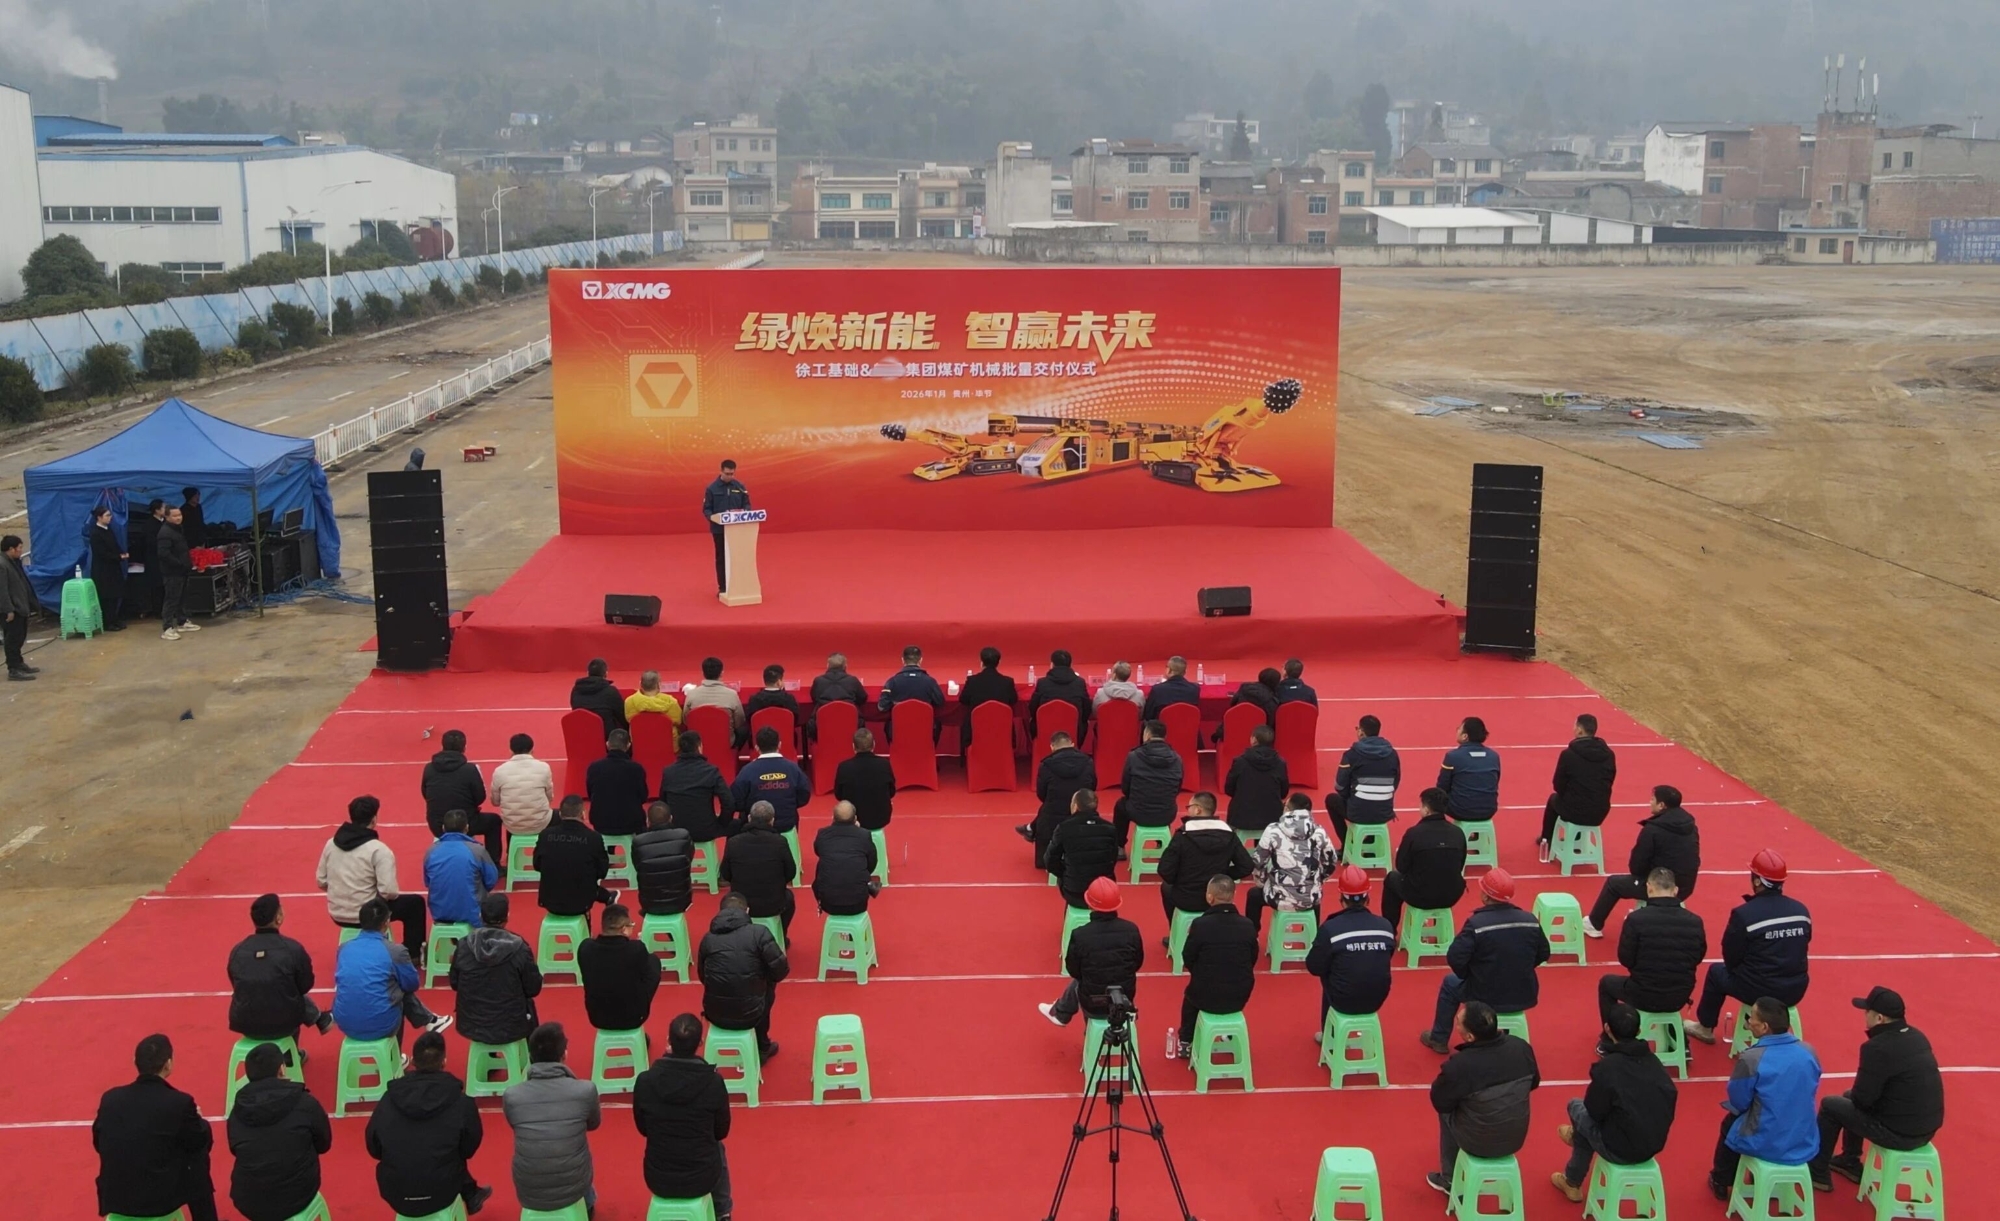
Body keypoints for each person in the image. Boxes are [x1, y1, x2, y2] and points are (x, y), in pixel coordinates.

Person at [1809, 987, 1944, 1191]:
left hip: (1900, 1133)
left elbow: (1862, 1100)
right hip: (1926, 1128)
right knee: (1847, 1098)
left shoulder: (1877, 1048)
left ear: (1879, 1018)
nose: (1865, 1016)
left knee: (1831, 1105)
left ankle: (1818, 1172)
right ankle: (1849, 1160)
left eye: (1867, 1011)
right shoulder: (1918, 1037)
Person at [1550, 1004, 1677, 1204]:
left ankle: (1572, 1179)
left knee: (1575, 1107)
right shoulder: (1655, 1063)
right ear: (1639, 1031)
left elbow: (1593, 1111)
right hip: (1653, 1144)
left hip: (1620, 1148)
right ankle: (1572, 1172)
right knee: (1598, 1118)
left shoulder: (1608, 1067)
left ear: (1607, 1028)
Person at [1687, 850, 1812, 1045]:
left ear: (1757, 881)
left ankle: (1705, 1027)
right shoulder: (1801, 911)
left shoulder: (1744, 914)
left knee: (1716, 973)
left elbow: (1731, 956)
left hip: (1758, 989)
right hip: (1796, 989)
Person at [364, 1030, 493, 1217]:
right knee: (449, 1154)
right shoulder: (462, 1102)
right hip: (443, 1190)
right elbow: (468, 1148)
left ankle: (471, 1193)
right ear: (444, 1062)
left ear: (413, 1062)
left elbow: (373, 1147)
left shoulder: (389, 1099)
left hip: (396, 1192)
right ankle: (470, 1193)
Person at [1422, 869, 1551, 1054]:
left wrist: (1469, 975)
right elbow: (1544, 953)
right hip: (1523, 993)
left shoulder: (1477, 924)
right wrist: (1519, 968)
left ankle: (1438, 1039)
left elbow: (1455, 957)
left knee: (1450, 983)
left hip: (1483, 993)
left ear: (1485, 895)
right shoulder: (1529, 920)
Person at [93, 1033, 218, 1221]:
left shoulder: (110, 1099)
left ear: (135, 1061)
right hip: (159, 1201)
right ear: (168, 1064)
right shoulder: (179, 1102)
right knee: (197, 1160)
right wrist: (199, 1120)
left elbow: (98, 1142)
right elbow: (200, 1141)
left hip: (116, 1197)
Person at [1709, 999, 1823, 1199]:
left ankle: (1721, 1179)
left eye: (1751, 1017)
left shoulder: (1751, 1058)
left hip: (1767, 1140)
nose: (1748, 1021)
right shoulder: (1809, 1052)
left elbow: (1739, 1101)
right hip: (1803, 1137)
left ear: (1764, 1027)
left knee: (1731, 1122)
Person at [1428, 1002, 1541, 1195]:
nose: (1456, 1024)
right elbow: (1534, 1082)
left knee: (1447, 1112)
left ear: (1469, 1037)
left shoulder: (1460, 1065)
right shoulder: (1521, 1047)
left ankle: (1449, 1179)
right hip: (1515, 1139)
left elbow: (1440, 1102)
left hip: (1477, 1142)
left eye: (1458, 1022)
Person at [634, 1013, 734, 1220]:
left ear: (668, 1041)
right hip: (703, 1176)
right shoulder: (714, 1082)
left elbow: (643, 1128)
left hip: (658, 1177)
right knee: (717, 1147)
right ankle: (722, 1211)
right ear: (700, 1043)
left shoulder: (645, 1081)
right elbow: (721, 1131)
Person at [502, 1022, 602, 1216]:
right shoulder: (585, 1090)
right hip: (574, 1185)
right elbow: (593, 1123)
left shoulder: (512, 1095)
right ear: (564, 1054)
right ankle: (587, 1206)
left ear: (531, 1057)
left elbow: (515, 1124)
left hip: (528, 1188)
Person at [227, 1041, 333, 1221]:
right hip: (296, 1196)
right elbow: (323, 1144)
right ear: (282, 1069)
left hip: (249, 1201)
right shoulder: (305, 1102)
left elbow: (235, 1149)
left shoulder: (237, 1111)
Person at [317, 795, 427, 961]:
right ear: (374, 819)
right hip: (369, 913)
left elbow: (321, 880)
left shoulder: (331, 844)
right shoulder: (378, 850)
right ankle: (412, 954)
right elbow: (389, 892)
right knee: (415, 904)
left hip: (337, 913)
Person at [1598, 867, 1708, 1029]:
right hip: (1680, 995)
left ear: (1649, 888)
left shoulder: (1635, 919)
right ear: (1675, 891)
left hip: (1644, 993)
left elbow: (1626, 959)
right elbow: (1698, 957)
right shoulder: (1695, 921)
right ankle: (1675, 1036)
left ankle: (1612, 1037)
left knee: (1606, 984)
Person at [1585, 786, 1701, 937]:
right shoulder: (1691, 826)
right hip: (1686, 886)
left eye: (1653, 799)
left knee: (1613, 884)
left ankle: (1593, 924)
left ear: (1661, 805)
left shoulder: (1653, 829)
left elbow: (1636, 866)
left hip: (1661, 886)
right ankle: (1645, 912)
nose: (1649, 802)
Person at [332, 899, 450, 1041]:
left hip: (345, 1023)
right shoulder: (395, 951)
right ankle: (400, 1049)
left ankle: (430, 1020)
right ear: (386, 922)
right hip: (382, 1024)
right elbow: (411, 985)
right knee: (398, 989)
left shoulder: (344, 948)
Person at [228, 893, 333, 1049]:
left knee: (273, 988)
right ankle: (291, 1055)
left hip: (244, 1022)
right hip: (284, 1022)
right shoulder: (292, 949)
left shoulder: (238, 950)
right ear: (278, 918)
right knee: (289, 991)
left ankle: (316, 1023)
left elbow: (235, 984)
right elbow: (305, 985)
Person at [1038, 877, 1145, 1027]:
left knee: (1083, 980)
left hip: (1093, 1003)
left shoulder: (1080, 935)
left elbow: (1074, 970)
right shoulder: (1132, 930)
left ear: (1089, 904)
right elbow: (1137, 962)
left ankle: (1062, 1013)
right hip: (1124, 998)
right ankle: (1061, 1012)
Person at [698, 891, 789, 1060]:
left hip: (714, 1013)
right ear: (747, 911)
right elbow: (781, 970)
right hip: (751, 1014)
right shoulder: (760, 933)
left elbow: (703, 977)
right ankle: (762, 1045)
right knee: (768, 985)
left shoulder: (707, 939)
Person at [1175, 876, 1258, 1058]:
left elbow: (1188, 957)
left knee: (1190, 998)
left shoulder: (1200, 925)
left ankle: (1186, 1041)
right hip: (1240, 994)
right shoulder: (1248, 925)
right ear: (1233, 895)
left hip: (1204, 993)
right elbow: (1252, 958)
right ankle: (1228, 1033)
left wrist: (1200, 972)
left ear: (1209, 897)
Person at [1306, 865, 1397, 1028]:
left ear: (1342, 898)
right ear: (1367, 898)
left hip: (1343, 1000)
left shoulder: (1330, 928)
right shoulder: (1386, 926)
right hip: (1377, 999)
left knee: (1329, 969)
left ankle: (1329, 1033)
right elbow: (1387, 955)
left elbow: (1314, 966)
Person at [450, 892, 542, 1048]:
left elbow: (455, 983)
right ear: (507, 916)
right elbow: (533, 988)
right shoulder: (520, 948)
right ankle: (534, 1054)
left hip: (472, 1023)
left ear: (481, 916)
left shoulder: (464, 945)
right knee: (527, 1003)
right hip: (511, 1024)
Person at [1157, 792, 1255, 922]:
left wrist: (1180, 879)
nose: (1188, 810)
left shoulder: (1183, 835)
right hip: (1219, 897)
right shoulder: (1229, 835)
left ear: (1197, 810)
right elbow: (1246, 866)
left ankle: (1174, 928)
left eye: (1189, 807)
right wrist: (1223, 875)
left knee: (1166, 887)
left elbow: (1165, 870)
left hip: (1187, 897)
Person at [1383, 788, 1468, 931]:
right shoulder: (1458, 833)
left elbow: (1401, 866)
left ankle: (1390, 929)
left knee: (1391, 879)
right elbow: (1460, 865)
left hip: (1420, 895)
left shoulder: (1414, 833)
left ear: (1427, 810)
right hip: (1452, 895)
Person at [1250, 792, 1337, 931]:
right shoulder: (1319, 831)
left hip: (1278, 897)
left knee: (1253, 895)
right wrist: (1320, 878)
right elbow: (1331, 860)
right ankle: (1313, 934)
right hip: (1310, 898)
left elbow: (1258, 860)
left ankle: (1253, 933)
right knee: (1314, 892)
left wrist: (1262, 879)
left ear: (1287, 809)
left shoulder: (1273, 830)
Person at [1538, 713, 1617, 863]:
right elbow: (1610, 780)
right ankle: (1576, 838)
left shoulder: (1568, 754)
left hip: (1575, 810)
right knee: (1579, 799)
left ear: (1580, 730)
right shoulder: (1609, 755)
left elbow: (1558, 785)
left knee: (1554, 800)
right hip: (1600, 810)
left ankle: (1546, 839)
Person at [1018, 730, 1097, 867]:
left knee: (1045, 809)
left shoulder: (1046, 765)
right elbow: (1092, 787)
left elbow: (1041, 794)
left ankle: (1034, 835)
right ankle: (1031, 828)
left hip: (1054, 814)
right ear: (1072, 744)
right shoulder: (1088, 762)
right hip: (1082, 808)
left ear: (1052, 747)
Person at [579, 903, 663, 1032]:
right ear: (624, 929)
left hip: (597, 1017)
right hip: (633, 1018)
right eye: (631, 925)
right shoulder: (636, 949)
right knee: (653, 961)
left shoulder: (585, 948)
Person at [421, 729, 503, 859]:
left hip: (437, 825)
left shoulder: (429, 768)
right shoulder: (470, 769)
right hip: (466, 822)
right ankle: (493, 863)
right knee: (494, 821)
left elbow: (425, 793)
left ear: (442, 745)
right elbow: (480, 797)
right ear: (464, 747)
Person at [719, 802, 797, 934]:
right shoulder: (779, 842)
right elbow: (791, 873)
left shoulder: (733, 842)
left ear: (749, 818)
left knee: (727, 901)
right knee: (789, 898)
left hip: (741, 901)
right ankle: (781, 935)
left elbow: (725, 874)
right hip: (773, 902)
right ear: (772, 821)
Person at [535, 794, 614, 918]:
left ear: (560, 814)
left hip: (549, 900)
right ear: (583, 814)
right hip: (582, 901)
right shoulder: (593, 838)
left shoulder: (545, 835)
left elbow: (537, 865)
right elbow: (602, 871)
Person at [1328, 714, 1400, 844]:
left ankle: (1347, 845)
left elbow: (1340, 786)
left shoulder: (1351, 754)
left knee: (1331, 800)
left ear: (1361, 732)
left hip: (1358, 812)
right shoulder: (1393, 754)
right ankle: (1370, 844)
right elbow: (1396, 782)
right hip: (1384, 812)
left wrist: (1351, 797)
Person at [424, 809, 500, 930]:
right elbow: (491, 880)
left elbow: (428, 882)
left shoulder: (431, 851)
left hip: (439, 912)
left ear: (443, 828)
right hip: (473, 913)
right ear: (467, 828)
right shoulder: (477, 850)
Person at [1114, 719, 1184, 847]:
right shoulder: (1177, 759)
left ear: (1146, 734)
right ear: (1165, 736)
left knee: (1120, 805)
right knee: (1164, 799)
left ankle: (1119, 846)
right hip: (1167, 814)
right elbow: (1177, 788)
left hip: (1138, 812)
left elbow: (1125, 788)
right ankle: (1161, 843)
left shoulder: (1133, 756)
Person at [1045, 788, 1120, 907]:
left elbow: (1049, 861)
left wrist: (1065, 873)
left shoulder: (1064, 828)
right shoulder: (1110, 828)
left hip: (1075, 893)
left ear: (1075, 806)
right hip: (1104, 892)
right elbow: (1113, 858)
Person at [730, 725, 811, 832]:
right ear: (779, 744)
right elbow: (804, 796)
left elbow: (736, 800)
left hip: (755, 827)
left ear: (756, 747)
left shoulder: (747, 771)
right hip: (786, 826)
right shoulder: (793, 769)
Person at [659, 730, 735, 842]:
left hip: (676, 830)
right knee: (738, 825)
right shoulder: (711, 771)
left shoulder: (668, 772)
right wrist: (721, 822)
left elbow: (662, 802)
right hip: (706, 830)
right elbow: (729, 802)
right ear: (699, 747)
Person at [813, 801, 880, 916]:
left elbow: (818, 851)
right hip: (858, 903)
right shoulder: (864, 835)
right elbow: (872, 862)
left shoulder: (823, 834)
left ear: (833, 818)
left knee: (822, 865)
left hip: (829, 903)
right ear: (855, 818)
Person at [1223, 723, 1289, 834]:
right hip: (1272, 818)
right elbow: (1283, 793)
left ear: (1254, 739)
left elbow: (1229, 789)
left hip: (1241, 817)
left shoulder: (1240, 761)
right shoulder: (1280, 763)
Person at [490, 732, 556, 842]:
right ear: (532, 749)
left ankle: (510, 850)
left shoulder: (499, 771)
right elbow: (550, 798)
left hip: (511, 825)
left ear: (511, 750)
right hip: (540, 822)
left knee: (512, 818)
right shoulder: (544, 768)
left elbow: (495, 802)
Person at [587, 727, 652, 837]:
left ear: (607, 745)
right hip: (631, 823)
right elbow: (643, 797)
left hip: (601, 822)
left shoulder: (594, 768)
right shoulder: (636, 769)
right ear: (628, 746)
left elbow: (591, 794)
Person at [633, 802, 694, 918]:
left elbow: (637, 866)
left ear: (648, 821)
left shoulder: (638, 842)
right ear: (671, 818)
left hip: (649, 903)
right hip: (682, 900)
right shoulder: (683, 835)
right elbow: (688, 859)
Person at [1436, 717, 1501, 823]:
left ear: (1465, 736)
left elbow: (1442, 787)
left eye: (1459, 729)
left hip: (1460, 810)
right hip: (1489, 810)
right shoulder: (1494, 756)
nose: (1457, 731)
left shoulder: (1453, 756)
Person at [833, 728, 896, 831]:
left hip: (852, 817)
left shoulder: (844, 767)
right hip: (880, 818)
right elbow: (891, 792)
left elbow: (838, 795)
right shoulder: (884, 765)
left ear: (853, 746)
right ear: (873, 744)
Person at [703, 458, 751, 594]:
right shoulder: (712, 488)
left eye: (732, 474)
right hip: (719, 530)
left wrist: (746, 512)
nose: (730, 476)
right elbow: (707, 509)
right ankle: (723, 587)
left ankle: (739, 584)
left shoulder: (740, 487)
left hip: (737, 529)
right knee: (722, 558)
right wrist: (713, 518)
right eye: (727, 474)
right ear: (721, 471)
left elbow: (747, 504)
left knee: (738, 557)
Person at [878, 643, 944, 739]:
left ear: (903, 660)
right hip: (925, 732)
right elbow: (940, 702)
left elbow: (882, 707)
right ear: (920, 660)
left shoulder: (892, 682)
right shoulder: (930, 682)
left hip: (899, 733)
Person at [959, 645, 1017, 748]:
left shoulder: (972, 681)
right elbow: (1013, 700)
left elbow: (963, 699)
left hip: (975, 732)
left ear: (981, 662)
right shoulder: (1007, 682)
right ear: (998, 663)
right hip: (1002, 731)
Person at [1029, 648, 1092, 740]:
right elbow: (1087, 709)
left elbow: (1033, 708)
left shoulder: (1043, 683)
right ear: (1070, 665)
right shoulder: (1079, 683)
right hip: (1074, 734)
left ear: (1052, 665)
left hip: (1045, 732)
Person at [1, 534, 40, 680]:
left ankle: (19, 662)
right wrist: (8, 610)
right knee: (12, 639)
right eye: (19, 548)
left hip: (20, 606)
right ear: (11, 549)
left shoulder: (14, 562)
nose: (21, 551)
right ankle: (13, 668)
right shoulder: (2, 565)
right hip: (12, 609)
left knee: (19, 636)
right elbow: (2, 590)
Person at [686, 657, 747, 747]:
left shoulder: (691, 694)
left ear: (703, 673)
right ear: (721, 673)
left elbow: (686, 720)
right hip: (726, 742)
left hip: (697, 742)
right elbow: (739, 721)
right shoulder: (731, 695)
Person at [87, 504, 128, 631]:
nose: (110, 517)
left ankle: (114, 619)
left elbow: (114, 545)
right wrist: (118, 557)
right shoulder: (95, 533)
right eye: (107, 515)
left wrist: (121, 553)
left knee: (115, 595)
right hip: (103, 570)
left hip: (113, 568)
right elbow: (101, 553)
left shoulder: (108, 529)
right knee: (106, 597)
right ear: (99, 517)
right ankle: (107, 622)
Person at [156, 504, 195, 639]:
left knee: (181, 597)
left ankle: (182, 621)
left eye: (179, 515)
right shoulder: (165, 533)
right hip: (172, 572)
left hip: (182, 570)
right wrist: (179, 564)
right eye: (175, 516)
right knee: (171, 599)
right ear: (167, 517)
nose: (178, 518)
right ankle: (167, 627)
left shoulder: (178, 529)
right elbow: (163, 554)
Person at [808, 652, 867, 740]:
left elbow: (814, 698)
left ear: (828, 666)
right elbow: (863, 698)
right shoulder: (853, 681)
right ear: (845, 666)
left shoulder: (818, 681)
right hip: (851, 729)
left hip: (823, 730)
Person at [1215, 666, 1282, 739]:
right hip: (1259, 739)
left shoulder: (1244, 688)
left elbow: (1232, 706)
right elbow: (1270, 723)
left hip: (1233, 732)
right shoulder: (1272, 702)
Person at [570, 657, 628, 734]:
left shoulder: (576, 690)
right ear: (606, 674)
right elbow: (622, 717)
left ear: (588, 673)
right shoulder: (611, 692)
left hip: (582, 733)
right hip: (606, 736)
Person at [1140, 654, 1201, 721]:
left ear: (1169, 670)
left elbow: (1148, 715)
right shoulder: (1194, 689)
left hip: (1162, 727)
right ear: (1184, 672)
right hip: (1187, 726)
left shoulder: (1158, 690)